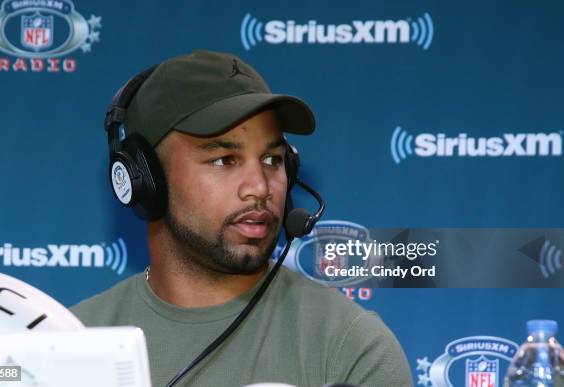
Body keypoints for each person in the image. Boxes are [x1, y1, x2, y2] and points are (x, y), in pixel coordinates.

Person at [71, 50, 413, 387]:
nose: (260, 187)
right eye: (224, 160)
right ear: (145, 180)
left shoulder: (350, 349)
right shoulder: (70, 339)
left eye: (272, 160)